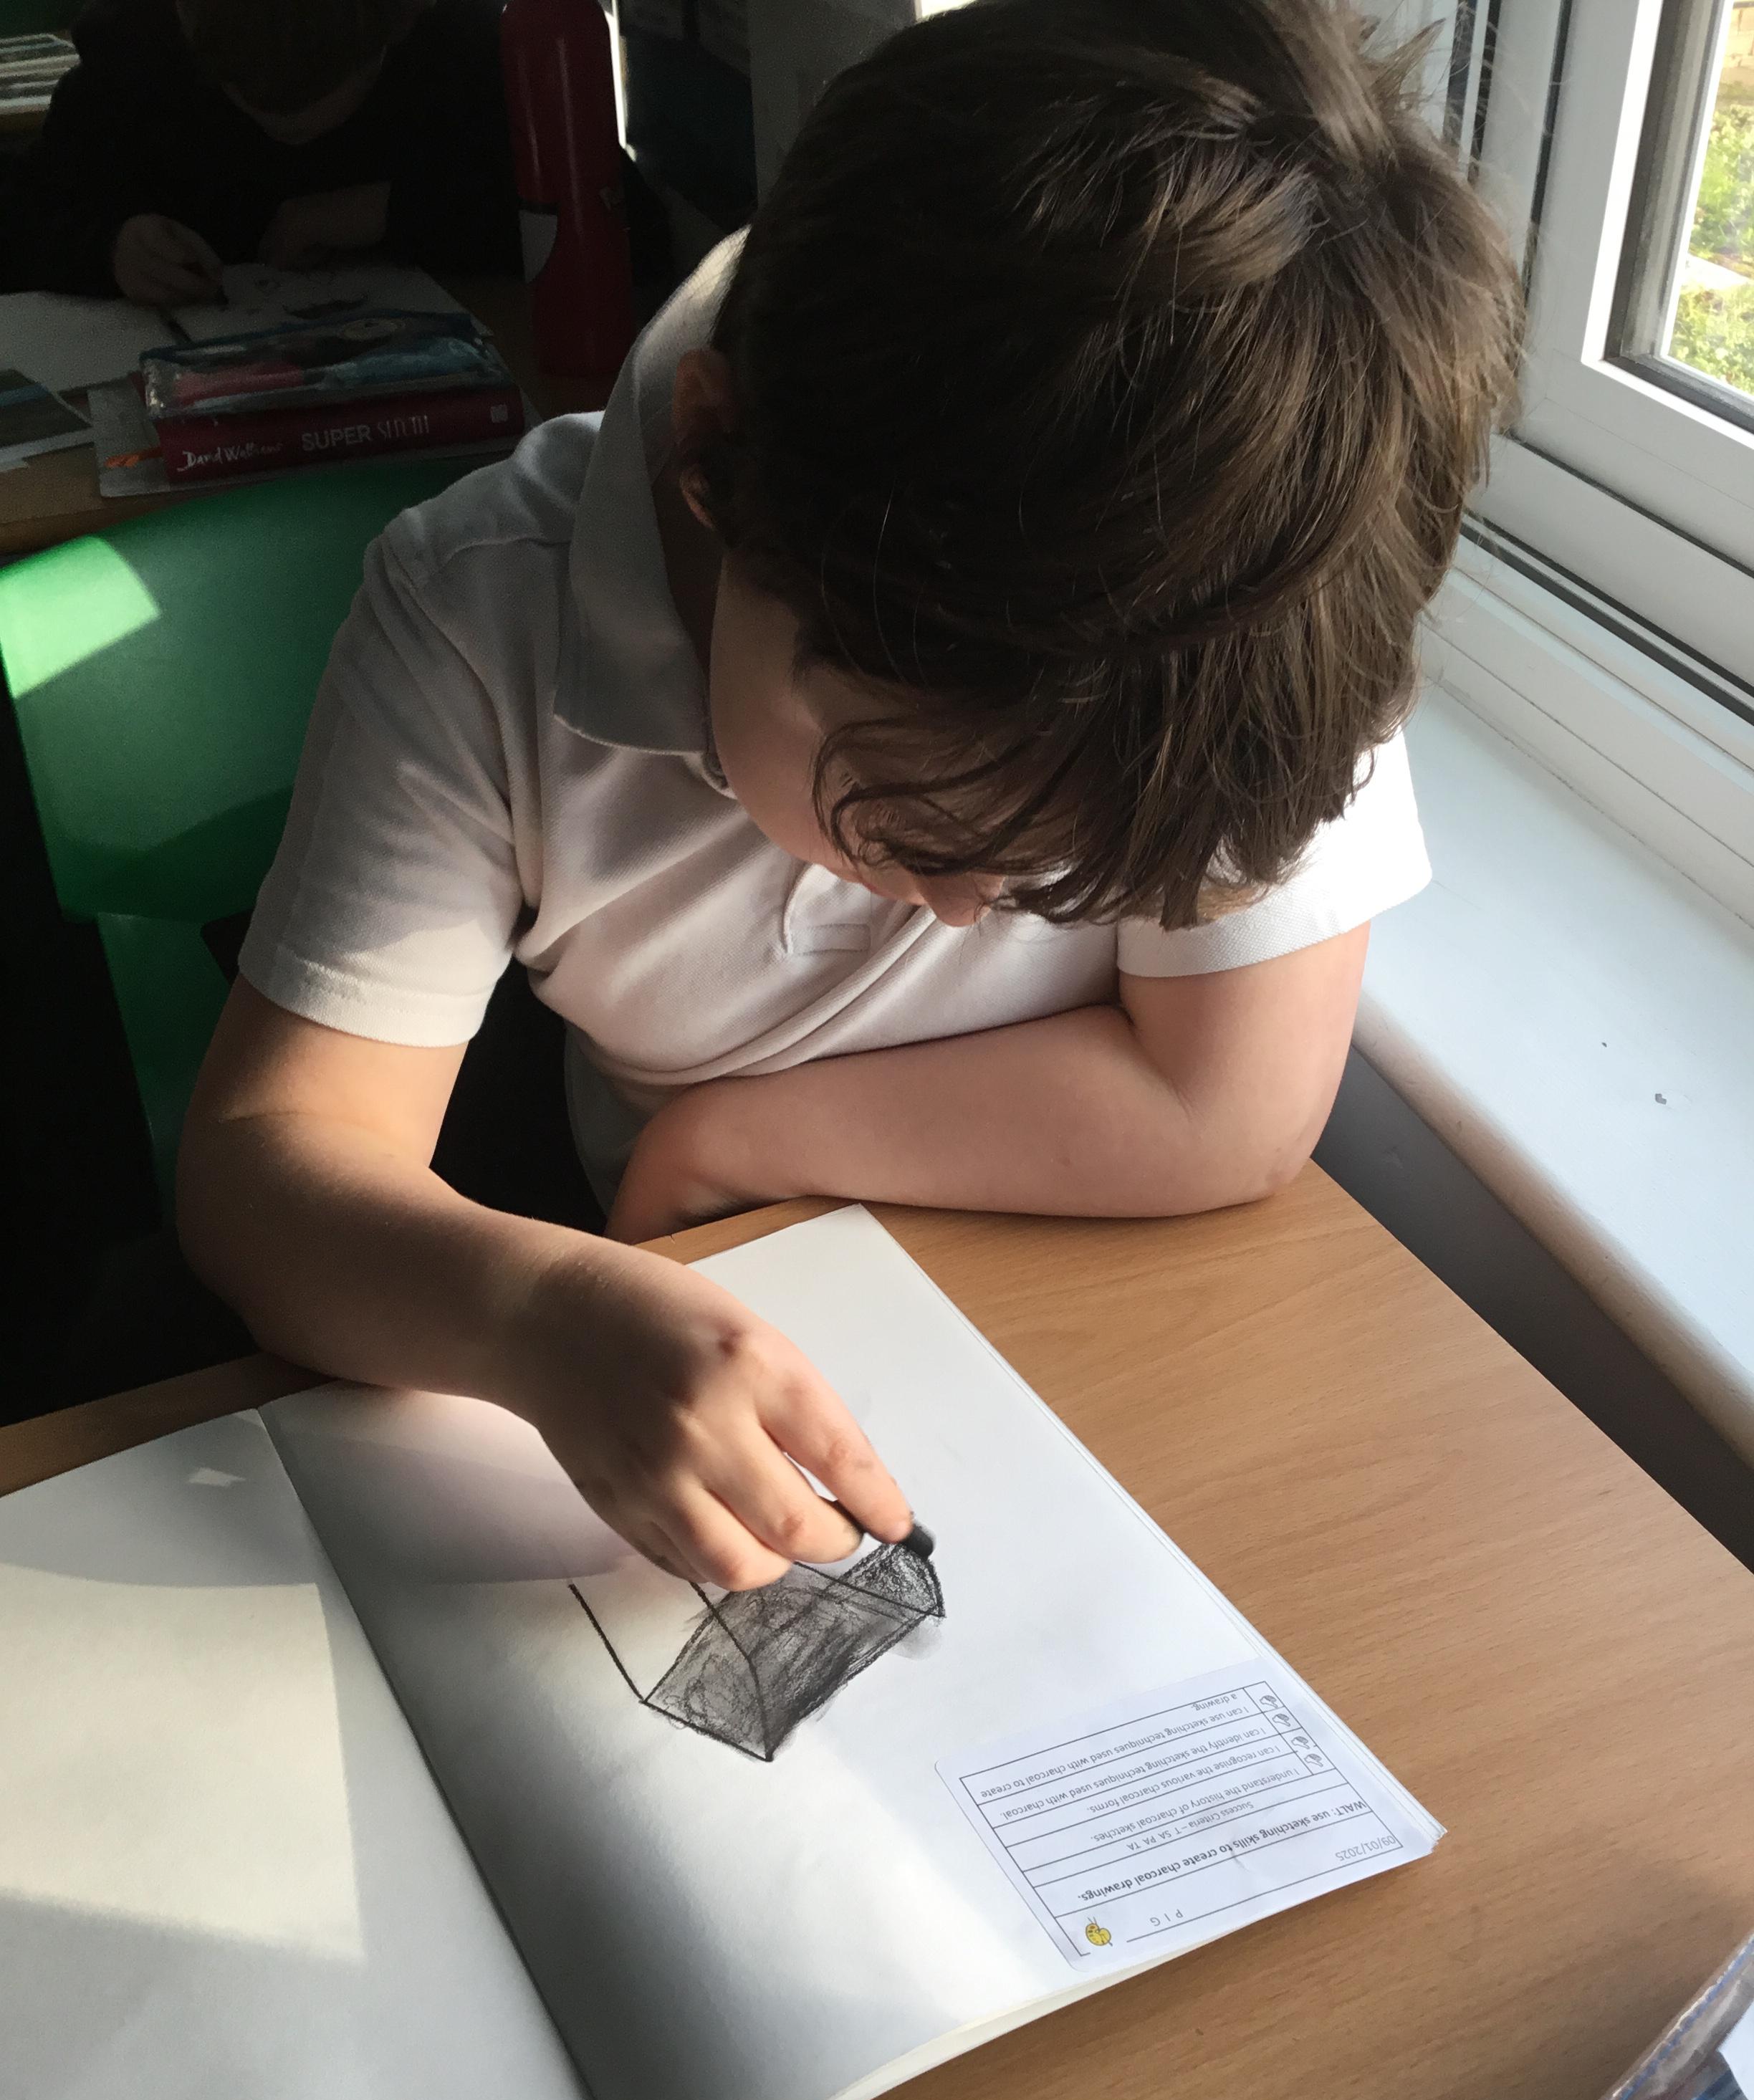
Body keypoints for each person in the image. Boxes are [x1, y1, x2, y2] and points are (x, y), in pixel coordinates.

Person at [178, 0, 1521, 1598]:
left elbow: (1233, 1106)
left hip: (1076, 1338)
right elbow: (267, 1167)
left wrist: (735, 1135)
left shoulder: (1251, 608)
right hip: (690, 1332)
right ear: (713, 464)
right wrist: (537, 1312)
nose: (968, 908)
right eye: (904, 816)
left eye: (1073, 880)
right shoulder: (483, 617)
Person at [7, 0, 519, 303]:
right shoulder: (130, 57)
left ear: (406, 16)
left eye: (325, 86)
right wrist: (109, 248)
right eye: (242, 89)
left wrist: (390, 210)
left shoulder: (472, 50)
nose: (288, 127)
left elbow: (552, 219)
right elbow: (26, 215)